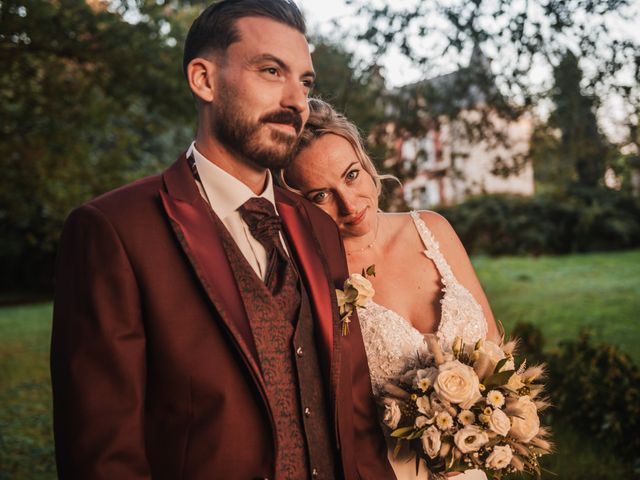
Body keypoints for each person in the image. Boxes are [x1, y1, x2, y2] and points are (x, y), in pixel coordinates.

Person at [50, 2, 394, 479]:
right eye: (271, 70)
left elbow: (354, 420)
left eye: (306, 82)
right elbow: (102, 455)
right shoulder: (113, 230)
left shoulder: (316, 226)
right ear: (204, 80)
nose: (296, 100)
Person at [281, 98, 501, 480]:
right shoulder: (312, 278)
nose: (349, 205)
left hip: (472, 462)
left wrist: (485, 425)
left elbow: (494, 344)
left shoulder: (432, 228)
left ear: (366, 164)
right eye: (320, 195)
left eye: (351, 175)